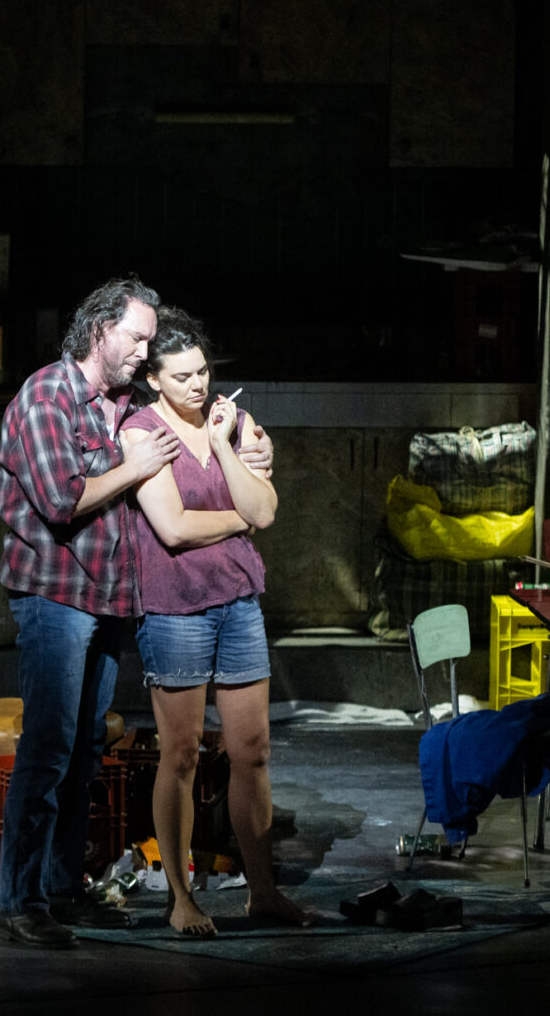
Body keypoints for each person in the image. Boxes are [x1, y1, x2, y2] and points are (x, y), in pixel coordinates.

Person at [0, 277, 271, 949]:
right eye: (137, 337)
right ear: (99, 329)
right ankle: (21, 898)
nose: (143, 351)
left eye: (150, 340)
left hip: (105, 600)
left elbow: (187, 417)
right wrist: (133, 464)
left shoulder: (120, 404)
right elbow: (62, 500)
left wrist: (248, 444)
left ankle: (62, 887)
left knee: (86, 748)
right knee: (50, 746)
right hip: (55, 596)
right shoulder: (47, 395)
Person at [121, 307, 316, 936]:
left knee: (251, 751)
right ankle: (180, 896)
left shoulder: (232, 421)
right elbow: (174, 528)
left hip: (237, 601)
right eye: (181, 377)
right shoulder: (141, 433)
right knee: (179, 753)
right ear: (155, 380)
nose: (197, 386)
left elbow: (266, 507)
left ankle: (263, 891)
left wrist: (231, 444)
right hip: (175, 606)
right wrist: (239, 520)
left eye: (203, 371)